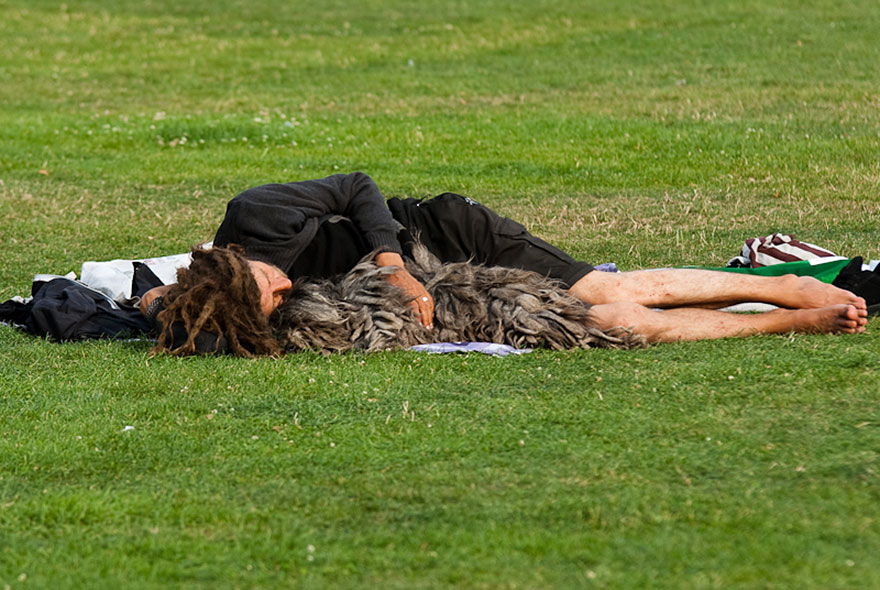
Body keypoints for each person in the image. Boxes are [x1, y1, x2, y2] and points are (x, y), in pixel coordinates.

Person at [140, 172, 868, 355]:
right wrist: (150, 310)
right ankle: (788, 324)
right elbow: (167, 312)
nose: (284, 291)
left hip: (445, 236)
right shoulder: (242, 308)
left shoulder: (253, 216)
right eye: (272, 304)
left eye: (271, 286)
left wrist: (391, 262)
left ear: (241, 264)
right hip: (440, 293)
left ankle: (788, 283)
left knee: (607, 287)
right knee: (609, 320)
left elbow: (356, 186)